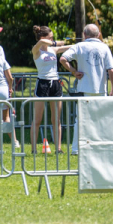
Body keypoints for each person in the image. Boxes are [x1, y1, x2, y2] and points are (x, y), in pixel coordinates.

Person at [59, 24, 113, 154]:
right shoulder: (104, 47)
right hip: (101, 89)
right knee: (101, 119)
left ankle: (75, 149)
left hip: (83, 88)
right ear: (98, 35)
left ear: (85, 35)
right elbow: (111, 71)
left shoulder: (79, 46)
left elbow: (63, 59)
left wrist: (73, 71)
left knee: (80, 120)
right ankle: (100, 147)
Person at [30, 25, 72, 154]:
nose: (53, 40)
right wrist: (56, 42)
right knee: (37, 119)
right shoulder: (36, 50)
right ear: (43, 37)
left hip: (55, 83)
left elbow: (70, 47)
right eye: (51, 37)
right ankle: (33, 149)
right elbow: (42, 42)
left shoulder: (53, 50)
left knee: (56, 119)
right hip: (42, 84)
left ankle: (58, 148)